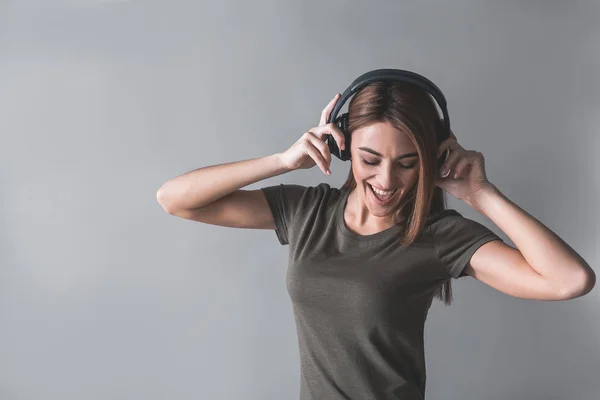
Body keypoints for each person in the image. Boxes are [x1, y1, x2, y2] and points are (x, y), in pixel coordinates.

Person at [156, 76, 595, 400]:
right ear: (344, 148)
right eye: (370, 159)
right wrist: (282, 161)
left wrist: (481, 193)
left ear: (430, 157)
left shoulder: (440, 237)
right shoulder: (308, 212)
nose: (386, 180)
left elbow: (569, 281)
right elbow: (175, 199)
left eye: (407, 163)